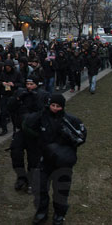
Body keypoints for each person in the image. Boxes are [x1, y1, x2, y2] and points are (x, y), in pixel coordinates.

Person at [23, 95, 86, 225]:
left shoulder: (71, 120)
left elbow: (82, 137)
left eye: (58, 106)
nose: (55, 108)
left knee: (61, 190)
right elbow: (27, 125)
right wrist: (42, 114)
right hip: (45, 160)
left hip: (63, 162)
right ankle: (41, 212)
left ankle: (59, 214)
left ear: (63, 107)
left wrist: (69, 138)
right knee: (40, 188)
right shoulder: (42, 117)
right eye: (53, 105)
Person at [7, 74, 49, 193]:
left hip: (34, 132)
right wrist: (18, 98)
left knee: (33, 158)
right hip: (21, 130)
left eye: (32, 84)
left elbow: (45, 113)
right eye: (27, 84)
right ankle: (21, 177)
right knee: (15, 152)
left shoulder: (43, 95)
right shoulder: (21, 92)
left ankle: (32, 181)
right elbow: (10, 107)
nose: (29, 87)